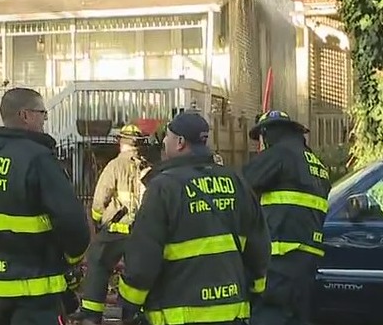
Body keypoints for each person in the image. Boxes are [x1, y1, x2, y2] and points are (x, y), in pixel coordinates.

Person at [119, 112, 271, 325]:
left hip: (178, 315)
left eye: (168, 136)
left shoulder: (163, 188)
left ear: (180, 142)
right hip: (232, 314)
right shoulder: (236, 182)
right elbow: (259, 245)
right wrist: (256, 289)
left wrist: (129, 303)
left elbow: (144, 257)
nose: (163, 141)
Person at [0, 87, 89, 325]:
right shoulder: (38, 159)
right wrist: (73, 260)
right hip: (35, 294)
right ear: (25, 115)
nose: (44, 119)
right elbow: (72, 224)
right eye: (42, 113)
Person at [242, 110, 330, 325]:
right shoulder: (315, 163)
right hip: (306, 260)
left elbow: (240, 186)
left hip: (280, 258)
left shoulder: (280, 154)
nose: (259, 148)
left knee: (270, 317)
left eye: (259, 141)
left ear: (267, 134)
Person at [77, 124, 150, 325]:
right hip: (141, 234)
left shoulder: (115, 166)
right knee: (137, 274)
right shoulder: (147, 167)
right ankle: (132, 315)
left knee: (97, 263)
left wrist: (97, 219)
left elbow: (100, 199)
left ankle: (91, 314)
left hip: (115, 232)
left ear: (120, 142)